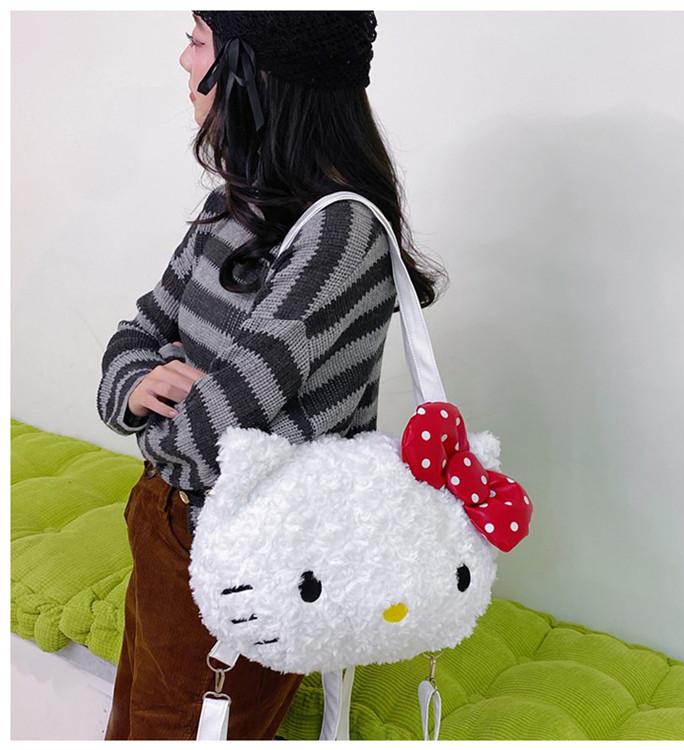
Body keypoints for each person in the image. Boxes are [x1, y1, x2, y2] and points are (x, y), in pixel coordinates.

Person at [96, 10, 447, 741]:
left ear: (254, 69)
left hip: (244, 556)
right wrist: (139, 383)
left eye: (198, 40)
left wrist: (165, 415)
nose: (184, 61)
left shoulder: (337, 233)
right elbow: (136, 332)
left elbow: (213, 442)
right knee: (134, 725)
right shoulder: (235, 200)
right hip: (168, 522)